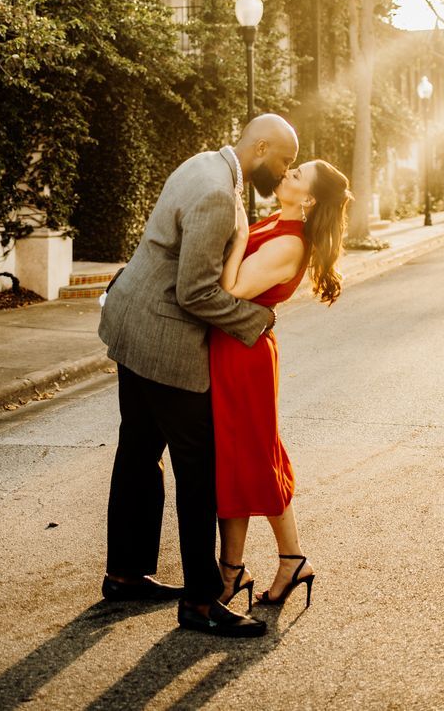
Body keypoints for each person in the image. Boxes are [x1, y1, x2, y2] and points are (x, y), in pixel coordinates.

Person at [98, 114, 298, 638]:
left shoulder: (204, 164)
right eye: (284, 160)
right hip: (163, 340)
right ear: (260, 146)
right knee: (199, 469)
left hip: (130, 324)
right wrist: (258, 321)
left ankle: (124, 573)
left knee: (138, 451)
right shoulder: (216, 193)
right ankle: (203, 601)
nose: (284, 172)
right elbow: (196, 293)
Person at [210, 159, 351, 612]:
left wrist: (235, 233)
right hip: (232, 347)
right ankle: (241, 567)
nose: (288, 173)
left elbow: (231, 289)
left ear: (308, 199)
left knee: (250, 454)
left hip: (242, 357)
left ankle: (274, 563)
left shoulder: (290, 243)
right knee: (240, 456)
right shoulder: (277, 220)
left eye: (298, 176)